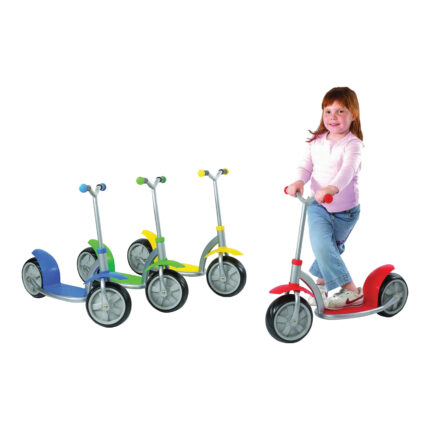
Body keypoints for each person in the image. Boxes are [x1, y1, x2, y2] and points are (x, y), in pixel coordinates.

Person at [286, 87, 363, 308]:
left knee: (329, 249)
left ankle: (331, 286)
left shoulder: (353, 144)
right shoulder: (317, 141)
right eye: (328, 111)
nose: (333, 117)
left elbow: (348, 170)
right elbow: (305, 166)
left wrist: (331, 188)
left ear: (353, 114)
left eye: (340, 111)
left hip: (346, 212)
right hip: (317, 206)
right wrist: (299, 181)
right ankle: (341, 287)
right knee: (322, 246)